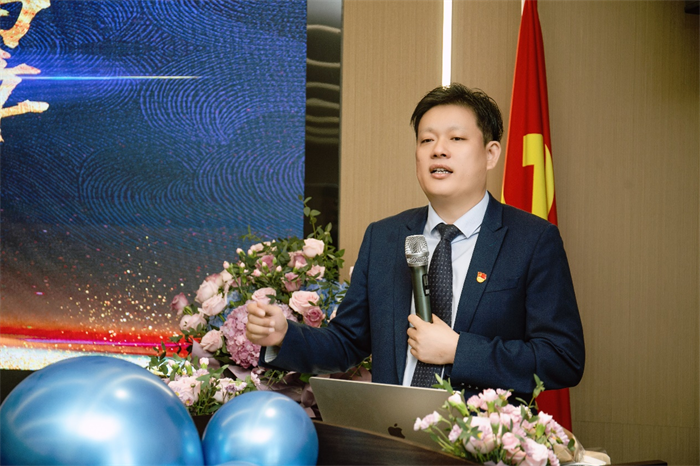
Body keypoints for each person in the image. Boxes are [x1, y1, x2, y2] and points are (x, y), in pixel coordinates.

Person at [246, 83, 585, 401]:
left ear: (490, 154)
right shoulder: (385, 237)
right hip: (392, 435)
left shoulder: (532, 240)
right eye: (427, 140)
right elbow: (346, 342)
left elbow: (562, 358)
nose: (438, 150)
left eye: (456, 138)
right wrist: (284, 335)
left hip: (479, 438)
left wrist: (459, 350)